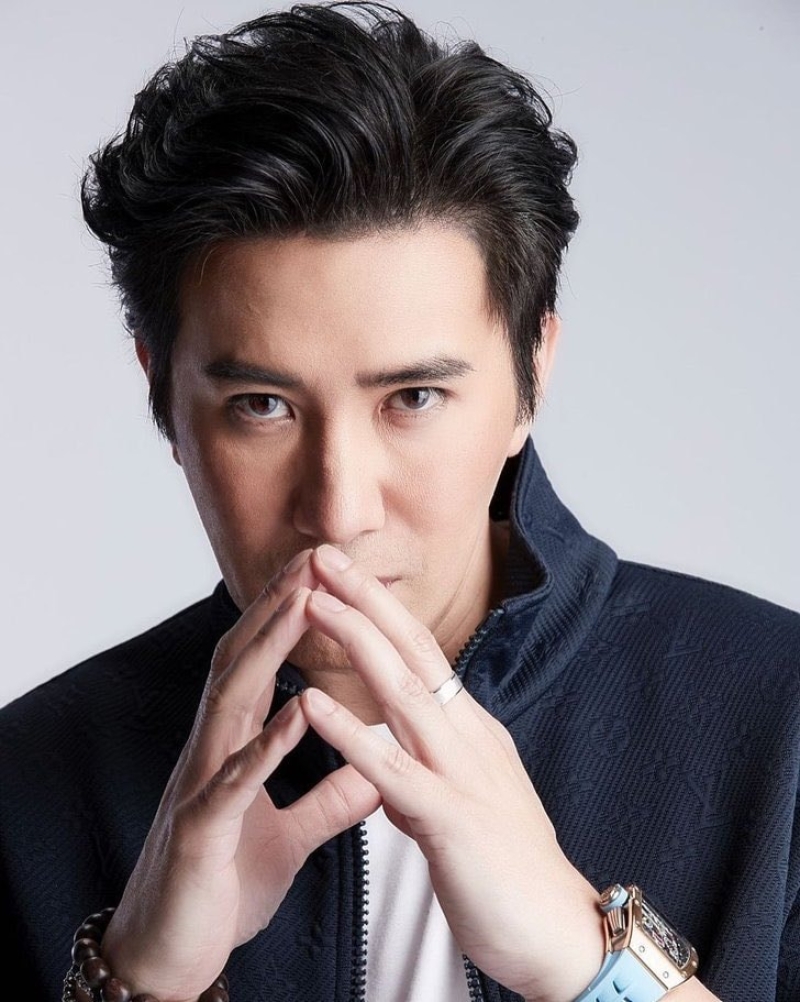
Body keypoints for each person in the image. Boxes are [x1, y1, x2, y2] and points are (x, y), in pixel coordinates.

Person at [1, 3, 797, 1001]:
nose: (339, 513)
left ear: (533, 375)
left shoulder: (781, 725)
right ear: (162, 393)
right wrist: (139, 979)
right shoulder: (27, 786)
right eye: (261, 406)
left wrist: (586, 961)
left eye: (413, 398)